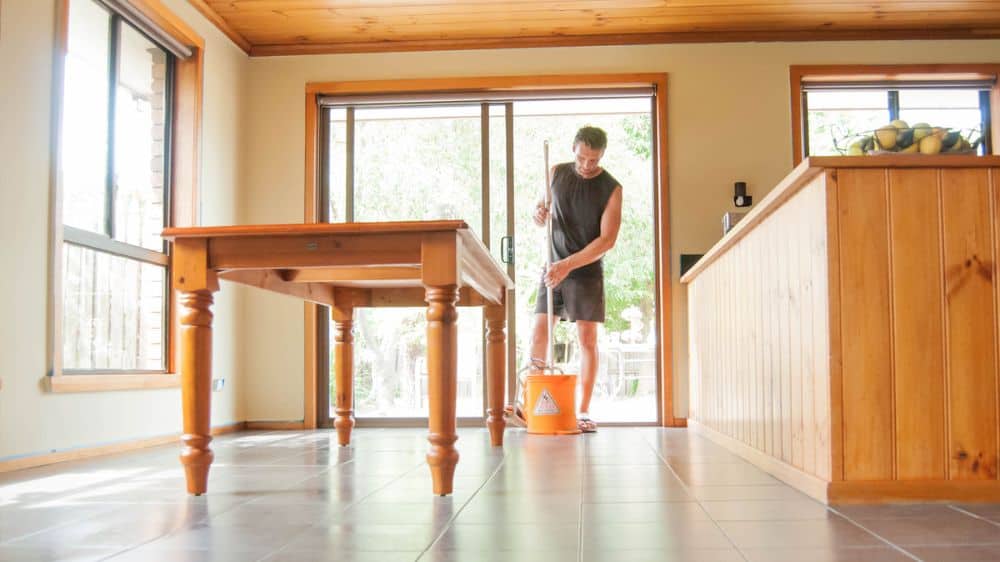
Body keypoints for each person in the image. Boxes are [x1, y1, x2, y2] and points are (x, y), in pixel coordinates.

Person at [528, 125, 623, 433]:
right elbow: (540, 209)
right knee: (539, 333)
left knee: (587, 340)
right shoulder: (556, 172)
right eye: (582, 157)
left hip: (584, 269)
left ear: (602, 156)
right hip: (553, 266)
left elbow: (607, 240)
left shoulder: (612, 188)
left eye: (593, 160)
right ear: (574, 149)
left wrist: (569, 265)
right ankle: (531, 403)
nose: (586, 165)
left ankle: (582, 410)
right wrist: (538, 213)